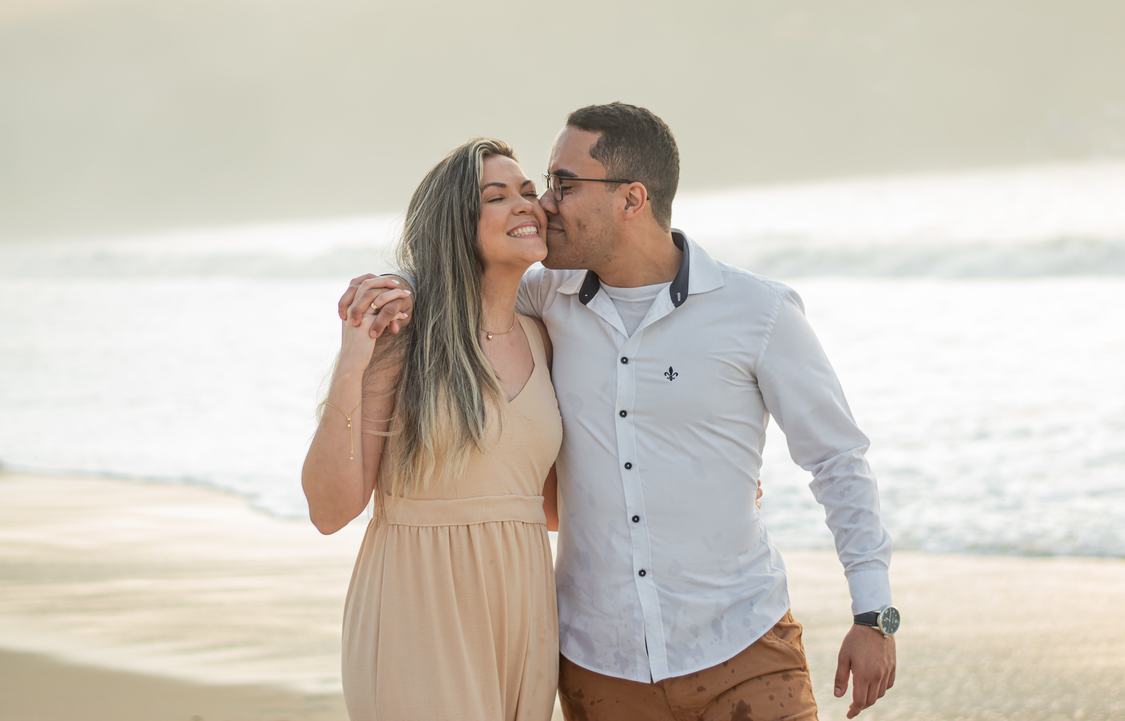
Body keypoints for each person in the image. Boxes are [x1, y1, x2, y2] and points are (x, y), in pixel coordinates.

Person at [346, 103, 898, 721]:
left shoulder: (758, 313)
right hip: (598, 666)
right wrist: (400, 290)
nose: (544, 204)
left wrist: (873, 613)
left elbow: (837, 459)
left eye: (564, 184)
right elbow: (460, 279)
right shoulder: (543, 302)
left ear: (632, 198)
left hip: (743, 645)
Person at [303, 139, 563, 721]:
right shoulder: (405, 334)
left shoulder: (545, 337)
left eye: (528, 191)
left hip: (525, 611)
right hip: (418, 609)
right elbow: (329, 510)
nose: (526, 204)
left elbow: (551, 509)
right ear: (455, 223)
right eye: (497, 196)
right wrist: (353, 361)